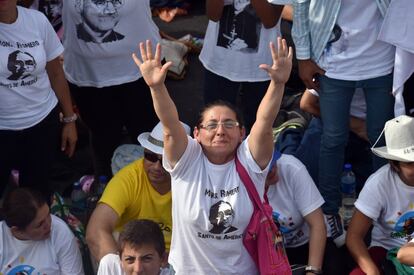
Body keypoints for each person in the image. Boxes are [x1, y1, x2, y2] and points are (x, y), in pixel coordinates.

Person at [132, 37, 292, 273]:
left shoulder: (249, 160)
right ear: (196, 133)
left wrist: (278, 84)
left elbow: (265, 122)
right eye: (211, 125)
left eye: (229, 124)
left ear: (241, 133)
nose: (220, 131)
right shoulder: (188, 159)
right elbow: (169, 125)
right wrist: (157, 87)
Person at [292, 0, 395, 245]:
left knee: (381, 140)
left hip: (381, 60)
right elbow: (300, 5)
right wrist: (303, 57)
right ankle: (329, 212)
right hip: (333, 64)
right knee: (333, 139)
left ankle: (384, 211)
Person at [62, 0, 160, 178]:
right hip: (88, 76)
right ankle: (106, 188)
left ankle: (158, 194)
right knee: (103, 139)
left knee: (150, 138)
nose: (107, 9)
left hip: (140, 72)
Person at [0, 1, 77, 198]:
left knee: (37, 195)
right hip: (3, 128)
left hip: (42, 123)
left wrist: (69, 120)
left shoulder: (37, 21)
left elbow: (56, 73)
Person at [86, 121, 190, 262]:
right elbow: (96, 231)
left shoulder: (195, 182)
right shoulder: (128, 178)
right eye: (151, 157)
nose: (157, 166)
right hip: (134, 255)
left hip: (180, 256)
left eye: (165, 160)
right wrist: (120, 270)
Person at [199, 0, 284, 132]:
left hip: (260, 68)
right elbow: (212, 15)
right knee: (215, 124)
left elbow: (270, 20)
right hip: (219, 63)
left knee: (257, 127)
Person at [346, 115, 414, 275]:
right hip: (385, 249)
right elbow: (354, 236)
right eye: (410, 163)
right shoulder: (379, 183)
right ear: (394, 164)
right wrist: (372, 272)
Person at [0, 188, 84, 274]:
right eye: (40, 224)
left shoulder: (60, 231)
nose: (49, 224)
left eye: (48, 214)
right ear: (17, 231)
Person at [97, 219, 171, 275]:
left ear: (163, 259)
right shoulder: (111, 266)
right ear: (120, 260)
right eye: (130, 259)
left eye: (147, 259)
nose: (138, 269)